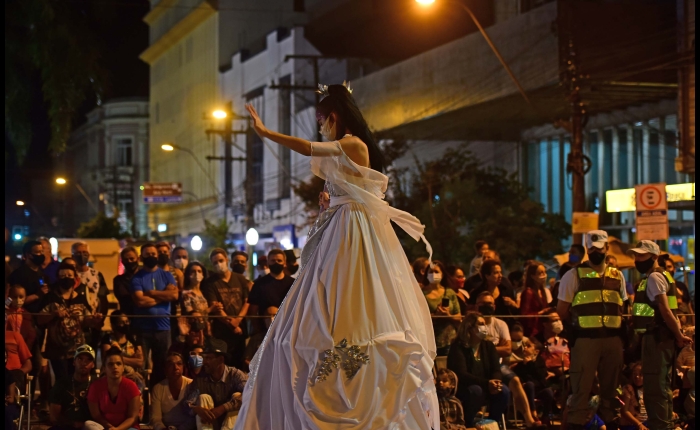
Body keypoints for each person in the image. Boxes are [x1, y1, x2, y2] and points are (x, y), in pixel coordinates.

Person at [235, 85, 439, 428]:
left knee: (354, 296)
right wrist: (328, 199)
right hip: (340, 225)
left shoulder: (352, 143)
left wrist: (267, 133)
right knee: (318, 301)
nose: (320, 128)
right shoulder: (343, 151)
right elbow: (337, 184)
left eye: (322, 120)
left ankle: (353, 379)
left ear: (334, 117)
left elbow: (309, 148)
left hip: (354, 229)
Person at [556, 230, 627, 430]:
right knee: (581, 390)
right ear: (587, 250)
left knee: (611, 391)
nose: (596, 252)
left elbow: (625, 306)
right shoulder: (573, 275)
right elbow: (562, 311)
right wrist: (574, 332)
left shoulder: (617, 275)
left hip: (613, 340)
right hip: (585, 340)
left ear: (607, 248)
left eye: (600, 249)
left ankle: (610, 424)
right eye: (592, 249)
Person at [628, 240, 691, 430]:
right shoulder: (662, 276)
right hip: (661, 339)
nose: (637, 259)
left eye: (642, 255)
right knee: (662, 388)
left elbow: (665, 310)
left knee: (655, 390)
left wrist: (679, 335)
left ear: (654, 257)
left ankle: (661, 426)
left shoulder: (654, 278)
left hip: (656, 339)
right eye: (636, 255)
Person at [477, 291, 543, 429]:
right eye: (483, 303)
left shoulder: (500, 324)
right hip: (479, 366)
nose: (486, 306)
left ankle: (529, 420)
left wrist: (487, 348)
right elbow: (476, 350)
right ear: (477, 305)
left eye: (489, 303)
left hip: (499, 365)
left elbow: (507, 350)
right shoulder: (474, 324)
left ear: (494, 306)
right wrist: (496, 347)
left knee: (515, 380)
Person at [38, 262, 101, 380]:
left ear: (75, 278)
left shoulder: (80, 298)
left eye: (69, 275)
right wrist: (53, 314)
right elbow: (39, 319)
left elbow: (86, 320)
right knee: (62, 379)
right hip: (56, 349)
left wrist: (95, 320)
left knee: (75, 378)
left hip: (77, 349)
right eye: (62, 276)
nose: (66, 278)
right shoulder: (50, 297)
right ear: (57, 278)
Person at [447, 312, 510, 427]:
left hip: (486, 386)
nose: (484, 327)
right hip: (465, 387)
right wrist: (487, 383)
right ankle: (468, 424)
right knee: (476, 391)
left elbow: (496, 369)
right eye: (481, 324)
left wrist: (496, 382)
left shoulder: (488, 346)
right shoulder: (458, 347)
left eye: (485, 324)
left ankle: (491, 424)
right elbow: (462, 374)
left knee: (504, 391)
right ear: (470, 328)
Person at [130, 242, 179, 386]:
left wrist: (151, 293)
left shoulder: (167, 275)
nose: (151, 257)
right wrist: (164, 296)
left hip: (163, 328)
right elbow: (140, 301)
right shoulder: (137, 278)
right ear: (141, 257)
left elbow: (175, 296)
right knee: (142, 366)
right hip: (143, 329)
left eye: (153, 254)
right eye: (147, 254)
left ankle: (158, 395)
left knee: (162, 365)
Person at [202, 249, 250, 370]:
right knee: (224, 365)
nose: (219, 264)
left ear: (227, 260)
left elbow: (246, 302)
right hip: (222, 331)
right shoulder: (210, 283)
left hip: (240, 330)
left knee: (240, 364)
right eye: (215, 262)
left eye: (221, 260)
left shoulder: (240, 278)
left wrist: (237, 321)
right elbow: (216, 308)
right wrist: (232, 325)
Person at [184, 339, 248, 430]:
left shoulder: (234, 375)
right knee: (203, 397)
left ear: (220, 359)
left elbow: (250, 394)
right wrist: (196, 409)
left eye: (208, 358)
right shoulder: (201, 378)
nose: (204, 362)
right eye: (204, 358)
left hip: (233, 425)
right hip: (210, 423)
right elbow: (187, 404)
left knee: (237, 396)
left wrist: (223, 408)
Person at [85, 347, 141, 430]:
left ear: (123, 367)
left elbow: (133, 417)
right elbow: (96, 416)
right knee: (88, 425)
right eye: (110, 364)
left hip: (128, 427)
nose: (115, 367)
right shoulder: (95, 387)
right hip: (105, 427)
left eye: (118, 364)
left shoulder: (131, 386)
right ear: (104, 368)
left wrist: (118, 429)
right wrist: (110, 428)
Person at [48, 344, 96, 430]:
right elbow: (54, 417)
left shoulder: (97, 383)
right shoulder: (61, 384)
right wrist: (72, 424)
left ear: (93, 364)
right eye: (80, 359)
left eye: (88, 360)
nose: (84, 363)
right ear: (74, 362)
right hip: (66, 426)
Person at [423, 260, 461, 356]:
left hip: (450, 340)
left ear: (442, 274)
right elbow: (418, 317)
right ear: (426, 275)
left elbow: (459, 316)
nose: (434, 274)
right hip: (430, 340)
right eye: (431, 272)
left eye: (436, 272)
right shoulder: (421, 293)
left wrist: (447, 315)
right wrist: (436, 315)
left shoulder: (449, 292)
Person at [151, 352, 195, 430]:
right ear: (165, 368)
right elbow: (156, 418)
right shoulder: (158, 388)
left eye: (179, 364)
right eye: (171, 364)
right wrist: (162, 428)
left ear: (183, 367)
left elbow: (193, 417)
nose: (176, 367)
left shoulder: (191, 385)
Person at [71, 242, 109, 328]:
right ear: (72, 256)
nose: (82, 255)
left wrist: (100, 320)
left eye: (85, 252)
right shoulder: (70, 275)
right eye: (78, 253)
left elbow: (103, 300)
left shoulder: (97, 275)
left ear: (88, 255)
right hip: (74, 322)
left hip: (93, 321)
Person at [8, 240, 49, 314]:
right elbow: (11, 301)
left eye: (42, 251)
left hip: (39, 317)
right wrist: (37, 295)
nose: (41, 254)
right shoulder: (18, 274)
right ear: (28, 254)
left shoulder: (41, 273)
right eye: (38, 252)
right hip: (22, 317)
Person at [658, 254, 694, 326]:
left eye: (669, 267)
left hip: (685, 324)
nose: (667, 269)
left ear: (674, 269)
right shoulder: (659, 285)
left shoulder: (681, 285)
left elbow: (689, 305)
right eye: (665, 267)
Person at [520, 263, 552, 337]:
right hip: (533, 331)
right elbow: (524, 315)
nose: (544, 275)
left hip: (542, 329)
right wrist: (540, 313)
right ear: (533, 276)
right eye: (541, 273)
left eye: (545, 272)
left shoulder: (542, 291)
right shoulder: (528, 292)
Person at [619, 362, 649, 430]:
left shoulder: (648, 390)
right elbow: (624, 411)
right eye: (635, 374)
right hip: (631, 425)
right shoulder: (628, 389)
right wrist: (639, 424)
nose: (637, 377)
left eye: (640, 374)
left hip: (646, 423)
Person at [113, 247, 140, 317]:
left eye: (132, 258)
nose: (129, 261)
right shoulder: (118, 280)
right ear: (122, 262)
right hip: (127, 319)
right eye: (126, 260)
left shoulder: (145, 277)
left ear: (138, 259)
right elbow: (125, 299)